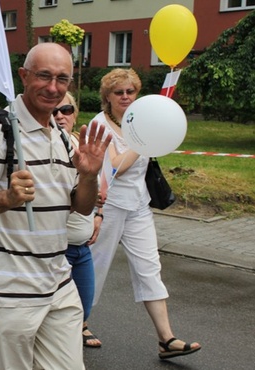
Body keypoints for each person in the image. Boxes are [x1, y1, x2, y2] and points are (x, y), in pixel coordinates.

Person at [0, 43, 111, 370]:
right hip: (11, 288)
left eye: (62, 79)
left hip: (58, 282)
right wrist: (8, 198)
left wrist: (89, 176)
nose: (53, 87)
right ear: (24, 76)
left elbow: (80, 207)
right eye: (44, 76)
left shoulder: (63, 137)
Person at [88, 68, 201, 360]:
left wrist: (148, 137)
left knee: (150, 267)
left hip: (138, 205)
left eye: (130, 91)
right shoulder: (99, 126)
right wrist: (142, 143)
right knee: (94, 267)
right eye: (119, 92)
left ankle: (166, 339)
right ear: (107, 97)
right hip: (107, 206)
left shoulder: (141, 119)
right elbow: (111, 168)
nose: (125, 97)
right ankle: (76, 323)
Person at [54, 92, 103, 348]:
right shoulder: (51, 147)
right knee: (58, 321)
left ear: (75, 112)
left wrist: (99, 215)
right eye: (54, 111)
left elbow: (99, 180)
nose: (60, 115)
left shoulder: (79, 142)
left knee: (83, 307)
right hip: (58, 248)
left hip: (82, 246)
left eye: (66, 109)